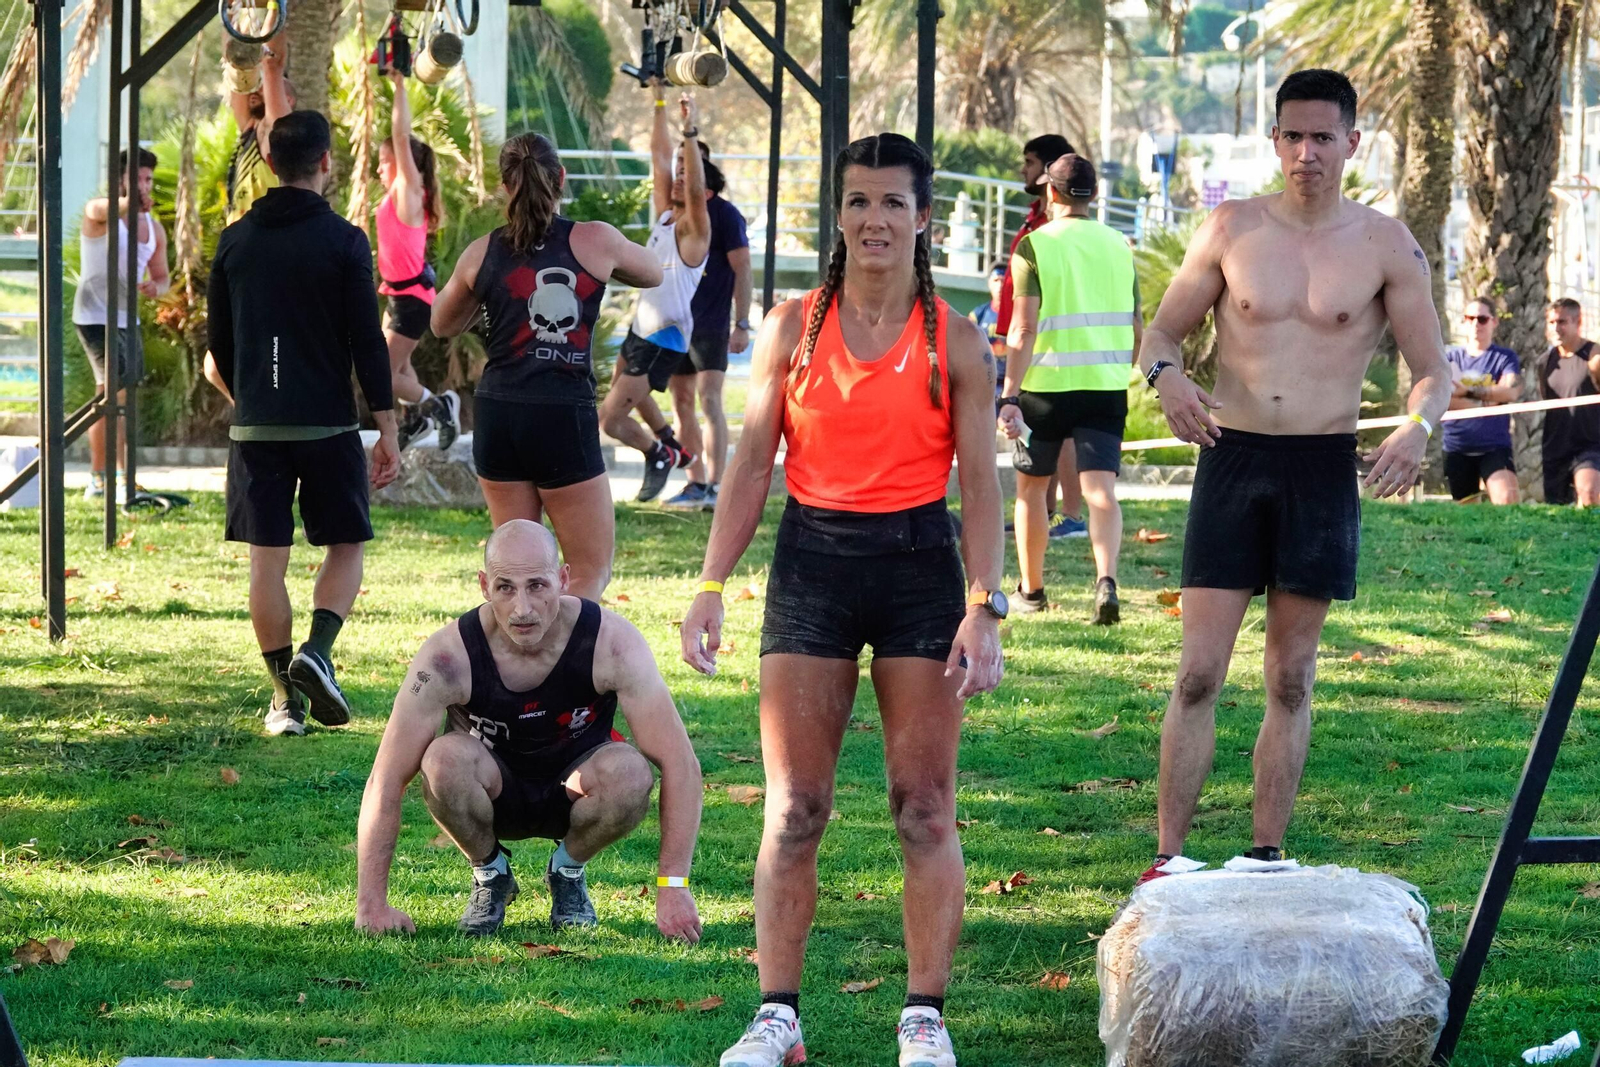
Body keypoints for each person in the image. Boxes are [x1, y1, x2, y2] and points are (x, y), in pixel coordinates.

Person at [680, 133, 1005, 1067]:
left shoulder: (958, 339)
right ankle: (776, 1014)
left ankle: (924, 1018)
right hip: (811, 568)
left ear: (923, 218)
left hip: (919, 569)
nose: (874, 220)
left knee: (923, 806)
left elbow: (980, 486)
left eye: (892, 203)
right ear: (839, 217)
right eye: (858, 202)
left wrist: (985, 604)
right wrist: (710, 585)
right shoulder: (793, 330)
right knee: (795, 809)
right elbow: (748, 467)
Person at [1136, 69, 1450, 883]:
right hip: (1231, 458)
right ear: (1274, 140)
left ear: (1352, 140)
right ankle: (1168, 856)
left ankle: (1267, 851)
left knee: (1291, 674)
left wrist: (1417, 429)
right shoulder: (1231, 228)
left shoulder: (1386, 243)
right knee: (1199, 670)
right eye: (1292, 136)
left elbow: (1432, 371)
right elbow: (1162, 334)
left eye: (1322, 137)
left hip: (1319, 469)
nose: (1306, 153)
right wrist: (1166, 379)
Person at [354, 520, 704, 941]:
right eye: (505, 587)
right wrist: (371, 903)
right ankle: (490, 874)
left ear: (563, 579)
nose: (522, 608)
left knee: (631, 773)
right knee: (441, 761)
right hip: (489, 795)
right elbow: (386, 777)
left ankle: (567, 870)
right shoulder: (448, 656)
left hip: (576, 793)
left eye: (537, 586)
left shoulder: (612, 643)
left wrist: (673, 887)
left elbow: (681, 763)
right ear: (484, 585)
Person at [207, 110, 402, 738]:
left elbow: (219, 345)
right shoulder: (345, 240)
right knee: (345, 545)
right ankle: (317, 650)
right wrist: (387, 428)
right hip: (327, 428)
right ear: (326, 162)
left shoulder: (234, 240)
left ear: (269, 164)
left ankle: (283, 702)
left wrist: (255, 400)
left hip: (257, 428)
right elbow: (368, 345)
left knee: (267, 563)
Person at [431, 133, 663, 600]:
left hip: (499, 413)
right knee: (587, 572)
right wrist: (599, 269)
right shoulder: (594, 239)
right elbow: (653, 272)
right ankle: (567, 671)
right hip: (561, 414)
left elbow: (441, 324)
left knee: (516, 573)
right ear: (560, 178)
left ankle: (512, 670)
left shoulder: (483, 251)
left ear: (504, 185)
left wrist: (487, 303)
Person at [999, 154, 1139, 624]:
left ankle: (1032, 590)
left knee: (1031, 491)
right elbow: (1137, 323)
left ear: (1051, 193)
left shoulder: (1033, 246)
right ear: (1094, 195)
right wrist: (1122, 369)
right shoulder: (1120, 246)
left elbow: (1022, 329)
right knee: (1101, 490)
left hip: (1044, 387)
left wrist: (1009, 394)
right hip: (1104, 386)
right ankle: (1106, 581)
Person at [598, 82, 710, 504]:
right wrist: (660, 102)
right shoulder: (666, 215)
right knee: (622, 394)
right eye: (678, 172)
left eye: (687, 172)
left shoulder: (695, 230)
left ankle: (657, 454)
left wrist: (691, 133)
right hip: (640, 330)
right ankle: (668, 441)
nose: (679, 177)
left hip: (665, 337)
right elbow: (659, 158)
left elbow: (695, 192)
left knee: (610, 420)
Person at [73, 147, 170, 500]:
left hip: (128, 319)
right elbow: (110, 207)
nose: (145, 186)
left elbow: (163, 277)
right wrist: (132, 199)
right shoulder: (99, 212)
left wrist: (155, 288)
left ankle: (116, 476)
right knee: (112, 393)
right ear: (119, 180)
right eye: (137, 179)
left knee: (118, 396)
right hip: (95, 315)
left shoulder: (153, 228)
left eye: (148, 179)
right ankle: (102, 477)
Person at [661, 142, 753, 512]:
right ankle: (695, 482)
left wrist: (742, 323)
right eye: (678, 160)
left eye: (688, 161)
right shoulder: (672, 214)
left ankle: (718, 485)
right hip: (673, 325)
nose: (681, 168)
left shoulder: (726, 215)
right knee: (680, 401)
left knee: (709, 399)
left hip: (711, 325)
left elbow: (743, 269)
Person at [1003, 134, 1085, 540]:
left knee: (1065, 431)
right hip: (1030, 340)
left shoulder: (1055, 228)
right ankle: (1044, 509)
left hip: (1049, 343)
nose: (1024, 170)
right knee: (1044, 430)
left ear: (1050, 173)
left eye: (1031, 162)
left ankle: (1071, 514)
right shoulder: (1035, 219)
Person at [377, 68, 460, 451]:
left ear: (403, 163)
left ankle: (438, 404)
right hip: (398, 295)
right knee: (397, 368)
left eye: (384, 161)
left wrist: (397, 85)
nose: (379, 168)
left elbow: (399, 134)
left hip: (412, 301)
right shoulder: (399, 196)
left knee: (379, 373)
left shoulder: (408, 192)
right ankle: (415, 419)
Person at [1443, 297, 1521, 504]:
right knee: (1465, 513)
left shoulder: (1505, 358)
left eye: (1482, 319)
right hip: (1457, 447)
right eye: (1470, 318)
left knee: (1507, 499)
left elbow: (1510, 392)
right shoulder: (1449, 358)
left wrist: (1466, 390)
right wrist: (1488, 401)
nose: (1476, 324)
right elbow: (1443, 401)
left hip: (1494, 446)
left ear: (1494, 322)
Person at [225, 27, 294, 224]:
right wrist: (235, 13)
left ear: (287, 100)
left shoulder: (273, 132)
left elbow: (273, 64)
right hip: (239, 241)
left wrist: (275, 9)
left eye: (262, 87)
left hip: (262, 240)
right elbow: (235, 66)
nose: (256, 90)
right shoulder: (250, 129)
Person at [1538, 298, 1600, 506]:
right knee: (1557, 510)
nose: (1556, 328)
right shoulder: (1545, 362)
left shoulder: (1594, 356)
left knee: (1589, 494)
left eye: (1562, 322)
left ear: (1577, 322)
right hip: (1555, 446)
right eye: (1552, 322)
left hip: (1590, 444)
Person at [968, 260, 1008, 397]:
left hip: (1010, 385)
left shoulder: (1019, 315)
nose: (1000, 286)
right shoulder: (977, 315)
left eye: (1004, 280)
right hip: (984, 384)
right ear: (989, 283)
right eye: (996, 280)